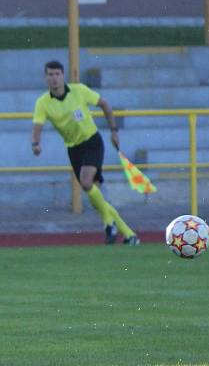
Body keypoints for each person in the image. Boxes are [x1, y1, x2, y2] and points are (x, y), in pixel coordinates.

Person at [31, 60, 139, 245]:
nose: (54, 78)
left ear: (63, 75)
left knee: (87, 182)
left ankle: (108, 224)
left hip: (92, 141)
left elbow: (104, 104)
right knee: (92, 191)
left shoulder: (79, 90)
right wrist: (36, 143)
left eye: (57, 74)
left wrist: (114, 130)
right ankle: (129, 234)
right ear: (45, 77)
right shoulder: (43, 102)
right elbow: (38, 124)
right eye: (50, 74)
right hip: (73, 148)